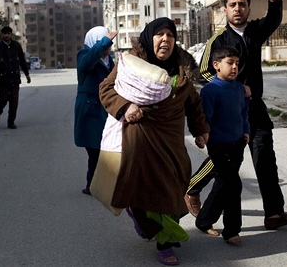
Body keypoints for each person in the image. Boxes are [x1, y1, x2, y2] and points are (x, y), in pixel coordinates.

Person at [186, 0, 287, 230]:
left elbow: (273, 21)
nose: (237, 8)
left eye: (242, 4)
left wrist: (274, 0)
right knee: (225, 160)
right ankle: (192, 188)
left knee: (264, 158)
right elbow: (203, 73)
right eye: (232, 4)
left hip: (255, 109)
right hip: (228, 111)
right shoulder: (217, 40)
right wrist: (234, 87)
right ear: (225, 10)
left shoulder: (254, 31)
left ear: (249, 9)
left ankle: (273, 213)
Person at [99, 17, 210, 266]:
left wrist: (201, 130)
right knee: (149, 189)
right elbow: (106, 89)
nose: (165, 40)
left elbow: (193, 103)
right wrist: (125, 107)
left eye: (170, 35)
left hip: (171, 142)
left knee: (175, 187)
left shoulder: (182, 70)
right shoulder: (130, 64)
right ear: (150, 38)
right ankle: (166, 243)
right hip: (140, 139)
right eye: (160, 34)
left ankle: (154, 226)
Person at [194, 46, 249, 245]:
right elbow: (204, 118)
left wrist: (246, 131)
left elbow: (243, 113)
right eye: (230, 63)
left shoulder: (239, 88)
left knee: (223, 184)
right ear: (216, 65)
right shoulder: (210, 91)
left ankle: (204, 220)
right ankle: (232, 230)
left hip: (237, 144)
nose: (234, 67)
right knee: (234, 184)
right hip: (218, 146)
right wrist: (201, 136)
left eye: (237, 63)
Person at [74, 26, 117, 195]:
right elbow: (90, 59)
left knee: (104, 149)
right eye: (104, 45)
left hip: (105, 109)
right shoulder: (84, 56)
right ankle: (93, 185)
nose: (107, 50)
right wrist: (104, 42)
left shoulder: (109, 60)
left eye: (109, 46)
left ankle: (95, 184)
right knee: (95, 150)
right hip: (90, 111)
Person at [0, 26, 31, 129]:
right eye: (4, 34)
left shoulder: (16, 45)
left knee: (14, 102)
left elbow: (22, 60)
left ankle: (11, 122)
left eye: (8, 33)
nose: (6, 35)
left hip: (15, 78)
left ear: (11, 34)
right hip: (2, 78)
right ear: (2, 35)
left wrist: (27, 74)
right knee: (3, 99)